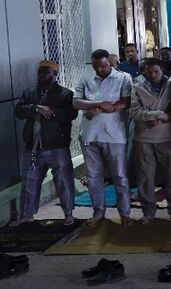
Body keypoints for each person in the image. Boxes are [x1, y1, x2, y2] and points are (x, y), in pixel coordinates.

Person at [73, 49, 134, 226]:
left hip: (115, 135)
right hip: (89, 135)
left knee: (120, 176)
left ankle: (125, 214)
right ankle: (98, 213)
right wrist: (99, 104)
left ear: (112, 63)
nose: (100, 70)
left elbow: (126, 102)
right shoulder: (86, 78)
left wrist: (99, 110)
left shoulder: (123, 78)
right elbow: (76, 102)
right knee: (93, 177)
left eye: (104, 66)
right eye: (96, 67)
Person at [14, 60, 77, 226]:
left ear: (55, 76)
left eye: (47, 73)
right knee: (29, 182)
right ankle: (27, 216)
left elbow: (70, 114)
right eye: (40, 72)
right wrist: (36, 108)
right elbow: (19, 110)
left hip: (57, 146)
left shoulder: (65, 94)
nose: (42, 75)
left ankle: (68, 214)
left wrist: (50, 111)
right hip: (33, 146)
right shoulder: (29, 93)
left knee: (64, 182)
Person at [129, 59, 171, 223]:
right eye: (149, 72)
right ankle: (148, 212)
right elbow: (134, 111)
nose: (152, 75)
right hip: (143, 138)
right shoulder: (137, 88)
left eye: (156, 72)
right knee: (145, 177)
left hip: (167, 137)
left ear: (163, 70)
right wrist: (158, 115)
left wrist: (158, 118)